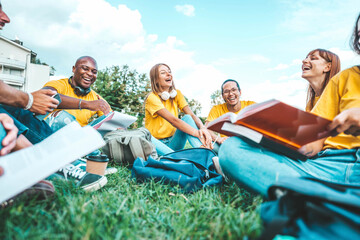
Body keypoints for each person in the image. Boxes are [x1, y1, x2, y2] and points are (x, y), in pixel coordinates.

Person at [218, 39, 356, 195]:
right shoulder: (331, 88)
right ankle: (312, 195)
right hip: (322, 163)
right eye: (306, 57)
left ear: (327, 66)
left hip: (347, 158)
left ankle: (310, 196)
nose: (305, 60)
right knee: (232, 147)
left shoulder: (345, 80)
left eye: (313, 58)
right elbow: (312, 146)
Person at [145, 63, 212, 156]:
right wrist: (197, 133)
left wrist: (202, 128)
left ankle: (205, 153)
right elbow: (173, 121)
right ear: (156, 79)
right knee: (144, 134)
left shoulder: (177, 94)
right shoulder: (152, 98)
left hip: (173, 142)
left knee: (188, 117)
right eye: (163, 73)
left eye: (169, 72)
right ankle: (178, 158)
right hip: (157, 145)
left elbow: (192, 115)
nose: (169, 74)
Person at [43, 56, 111, 127]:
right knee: (62, 117)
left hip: (79, 135)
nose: (90, 74)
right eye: (85, 69)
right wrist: (87, 104)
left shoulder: (96, 98)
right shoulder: (58, 84)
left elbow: (111, 118)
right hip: (48, 134)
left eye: (94, 72)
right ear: (74, 69)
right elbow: (45, 97)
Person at [205, 79, 256, 153]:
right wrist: (218, 139)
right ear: (222, 96)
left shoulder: (251, 105)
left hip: (248, 146)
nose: (231, 94)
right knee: (202, 137)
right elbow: (207, 128)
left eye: (234, 90)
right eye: (226, 91)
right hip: (225, 146)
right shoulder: (216, 109)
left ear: (240, 92)